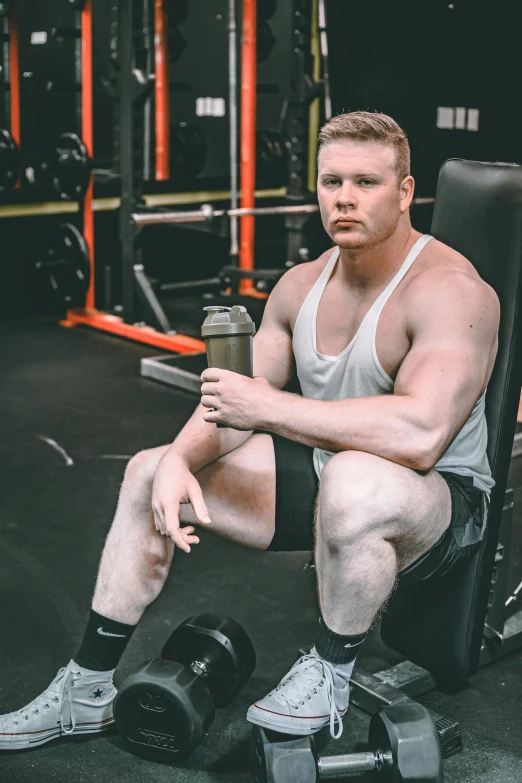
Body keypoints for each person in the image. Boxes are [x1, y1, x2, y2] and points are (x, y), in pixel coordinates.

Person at [0, 111, 499, 750]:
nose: (344, 198)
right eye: (331, 182)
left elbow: (423, 435)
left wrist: (266, 408)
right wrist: (181, 457)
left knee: (354, 479)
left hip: (441, 505)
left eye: (367, 183)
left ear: (404, 193)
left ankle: (330, 672)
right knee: (148, 471)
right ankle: (86, 689)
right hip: (333, 477)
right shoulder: (299, 287)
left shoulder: (450, 291)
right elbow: (231, 408)